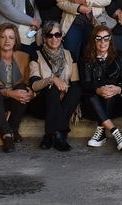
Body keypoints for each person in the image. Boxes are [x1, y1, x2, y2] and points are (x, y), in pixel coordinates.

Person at [27, 21, 81, 151]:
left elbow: (74, 83)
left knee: (76, 90)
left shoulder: (70, 55)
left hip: (63, 103)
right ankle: (60, 134)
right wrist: (53, 79)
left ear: (62, 37)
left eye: (57, 35)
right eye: (49, 35)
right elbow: (34, 85)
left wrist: (62, 89)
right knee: (52, 88)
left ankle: (51, 135)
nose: (54, 39)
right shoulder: (36, 55)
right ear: (44, 38)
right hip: (43, 105)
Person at [0, 23, 33, 153]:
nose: (7, 41)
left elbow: (28, 81)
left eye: (11, 37)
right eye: (3, 37)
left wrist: (31, 92)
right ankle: (7, 135)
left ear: (15, 40)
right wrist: (10, 93)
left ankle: (13, 127)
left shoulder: (24, 57)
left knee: (23, 87)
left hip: (17, 103)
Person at [80, 25, 122, 151]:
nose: (103, 42)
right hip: (93, 105)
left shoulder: (119, 56)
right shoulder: (86, 59)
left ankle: (101, 131)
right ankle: (116, 132)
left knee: (110, 92)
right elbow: (85, 84)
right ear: (93, 41)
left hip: (115, 103)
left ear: (111, 40)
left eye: (106, 38)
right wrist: (98, 90)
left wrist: (118, 89)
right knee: (92, 96)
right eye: (99, 39)